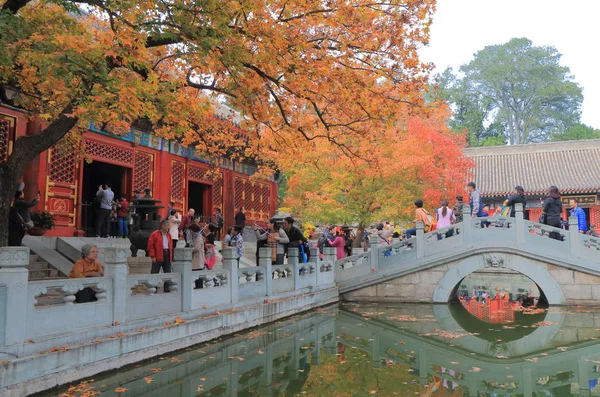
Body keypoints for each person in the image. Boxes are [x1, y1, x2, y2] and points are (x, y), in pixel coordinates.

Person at [147, 220, 174, 291]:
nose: (168, 227)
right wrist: (153, 256)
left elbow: (171, 246)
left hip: (167, 253)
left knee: (167, 271)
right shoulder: (155, 234)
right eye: (167, 225)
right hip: (158, 254)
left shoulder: (169, 235)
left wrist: (171, 256)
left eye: (168, 225)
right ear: (162, 226)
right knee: (155, 271)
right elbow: (150, 246)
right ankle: (153, 287)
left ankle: (167, 288)